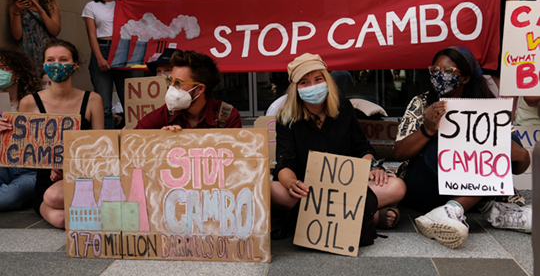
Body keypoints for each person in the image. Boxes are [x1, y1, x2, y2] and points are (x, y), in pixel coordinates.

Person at [393, 46, 531, 249]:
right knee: (443, 139)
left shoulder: (489, 107)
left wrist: (517, 152)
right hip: (428, 187)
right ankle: (489, 207)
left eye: (448, 72)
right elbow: (399, 154)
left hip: (470, 187)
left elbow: (518, 165)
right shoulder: (422, 102)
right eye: (435, 70)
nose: (439, 76)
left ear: (465, 78)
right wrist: (427, 130)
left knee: (498, 144)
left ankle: (453, 208)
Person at [271, 53, 406, 231]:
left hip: (346, 188)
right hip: (307, 189)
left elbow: (362, 148)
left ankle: (310, 217)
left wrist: (373, 169)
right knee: (270, 189)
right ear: (296, 88)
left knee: (397, 186)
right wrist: (291, 183)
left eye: (318, 79)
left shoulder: (344, 108)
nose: (313, 86)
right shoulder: (286, 118)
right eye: (304, 82)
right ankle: (367, 217)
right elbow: (285, 161)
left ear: (327, 81)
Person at [19, 39, 104, 228]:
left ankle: (94, 204)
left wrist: (70, 169)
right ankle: (96, 208)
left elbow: (101, 147)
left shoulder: (92, 100)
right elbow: (23, 150)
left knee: (55, 198)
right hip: (47, 178)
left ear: (75, 65)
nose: (56, 64)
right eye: (50, 60)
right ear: (43, 65)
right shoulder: (29, 102)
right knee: (61, 219)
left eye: (63, 59)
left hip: (82, 174)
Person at [135, 50, 242, 130]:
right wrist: (160, 141)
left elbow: (238, 156)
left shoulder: (227, 116)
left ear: (200, 89)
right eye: (170, 81)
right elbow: (131, 143)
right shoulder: (166, 114)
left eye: (178, 83)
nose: (171, 87)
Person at [82, 0, 130, 130]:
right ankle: (107, 142)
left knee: (129, 101)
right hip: (101, 49)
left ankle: (132, 138)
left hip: (122, 50)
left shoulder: (124, 4)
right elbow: (91, 35)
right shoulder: (91, 6)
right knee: (104, 105)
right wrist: (100, 58)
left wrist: (125, 2)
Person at [0, 47, 43, 211]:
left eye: (4, 68)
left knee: (8, 197)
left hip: (30, 169)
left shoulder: (37, 101)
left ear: (17, 74)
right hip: (2, 164)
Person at [8, 0, 61, 74]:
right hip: (26, 51)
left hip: (47, 50)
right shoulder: (15, 7)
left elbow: (55, 31)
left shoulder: (50, 5)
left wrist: (41, 12)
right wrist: (16, 12)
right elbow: (17, 36)